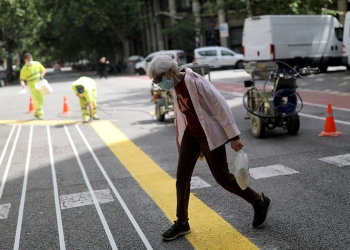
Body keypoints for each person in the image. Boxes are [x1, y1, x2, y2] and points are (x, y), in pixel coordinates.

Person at [147, 54, 272, 241]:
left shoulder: (195, 82)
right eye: (154, 80)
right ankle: (182, 222)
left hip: (208, 133)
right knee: (182, 177)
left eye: (158, 79)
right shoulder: (174, 85)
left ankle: (259, 201)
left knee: (222, 177)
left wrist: (234, 137)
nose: (157, 83)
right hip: (192, 134)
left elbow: (219, 106)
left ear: (170, 71)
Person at [20, 53, 46, 120]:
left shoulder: (37, 64)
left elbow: (44, 70)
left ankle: (36, 112)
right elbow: (22, 79)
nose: (29, 61)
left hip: (40, 84)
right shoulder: (24, 69)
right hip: (32, 86)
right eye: (28, 60)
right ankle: (40, 114)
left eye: (30, 59)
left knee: (42, 98)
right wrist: (23, 86)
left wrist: (42, 75)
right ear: (25, 60)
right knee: (36, 100)